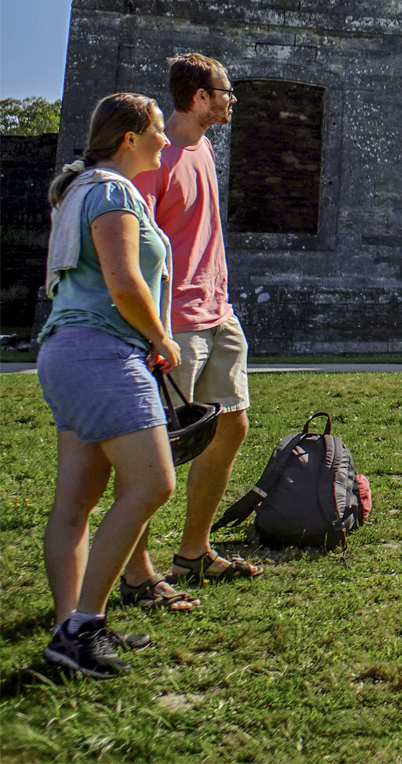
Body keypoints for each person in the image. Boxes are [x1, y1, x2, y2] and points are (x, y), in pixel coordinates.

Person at [37, 93, 183, 678]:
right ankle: (83, 627)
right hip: (103, 350)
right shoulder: (114, 190)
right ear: (130, 138)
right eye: (156, 130)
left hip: (66, 351)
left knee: (76, 500)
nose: (164, 140)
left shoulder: (80, 186)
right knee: (152, 483)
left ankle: (68, 630)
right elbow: (124, 282)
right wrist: (161, 338)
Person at [123, 53, 263, 597]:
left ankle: (193, 553)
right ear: (200, 97)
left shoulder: (202, 147)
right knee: (152, 448)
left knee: (231, 425)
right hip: (173, 323)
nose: (231, 100)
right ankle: (136, 572)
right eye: (225, 91)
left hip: (217, 313)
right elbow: (131, 248)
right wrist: (151, 329)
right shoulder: (152, 160)